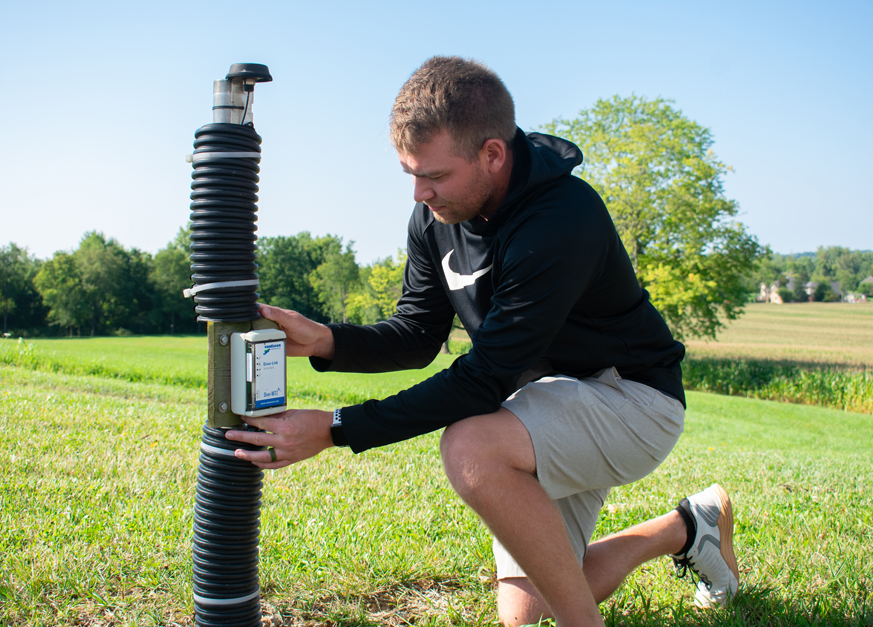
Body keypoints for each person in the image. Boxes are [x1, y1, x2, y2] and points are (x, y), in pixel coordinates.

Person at [225, 56, 740, 626]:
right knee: (526, 614)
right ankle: (690, 526)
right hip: (543, 407)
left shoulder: (561, 218)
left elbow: (487, 375)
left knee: (471, 446)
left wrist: (337, 427)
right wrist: (325, 340)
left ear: (492, 154)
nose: (420, 193)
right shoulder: (433, 216)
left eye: (436, 176)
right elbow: (417, 334)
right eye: (410, 174)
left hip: (633, 401)